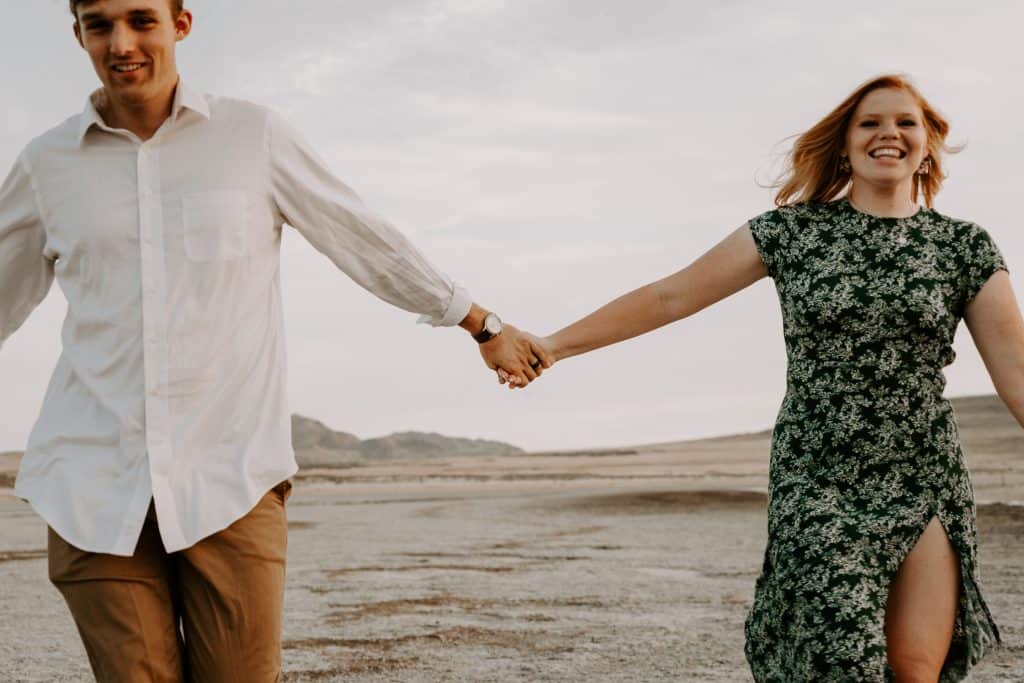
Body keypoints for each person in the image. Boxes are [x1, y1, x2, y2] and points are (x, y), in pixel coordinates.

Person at [0, 0, 551, 680]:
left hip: (230, 476)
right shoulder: (46, 165)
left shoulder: (251, 136)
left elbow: (362, 236)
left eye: (141, 19)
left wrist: (480, 323)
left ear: (181, 23)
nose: (121, 43)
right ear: (77, 31)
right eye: (100, 24)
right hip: (92, 484)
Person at [512, 74, 1023, 681]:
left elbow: (1016, 374)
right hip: (818, 471)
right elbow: (670, 296)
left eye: (905, 123)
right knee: (841, 659)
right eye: (870, 123)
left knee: (915, 669)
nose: (889, 134)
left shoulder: (962, 246)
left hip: (926, 470)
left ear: (928, 143)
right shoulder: (791, 233)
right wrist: (555, 345)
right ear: (844, 144)